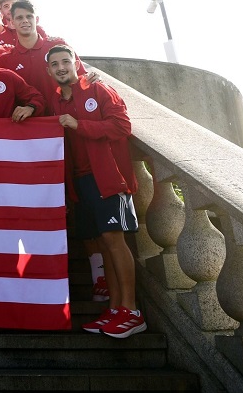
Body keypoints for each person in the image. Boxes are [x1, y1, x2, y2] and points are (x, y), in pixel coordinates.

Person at [46, 44, 144, 338]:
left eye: (66, 61)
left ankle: (132, 311)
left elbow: (121, 126)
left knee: (115, 242)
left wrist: (80, 125)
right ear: (49, 70)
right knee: (103, 245)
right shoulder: (56, 102)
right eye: (55, 64)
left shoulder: (99, 91)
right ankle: (115, 309)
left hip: (107, 179)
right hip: (81, 182)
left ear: (75, 63)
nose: (61, 67)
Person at [0, 0, 82, 109]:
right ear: (11, 22)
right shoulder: (4, 61)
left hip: (64, 119)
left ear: (37, 19)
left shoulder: (58, 45)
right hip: (29, 123)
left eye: (29, 16)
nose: (25, 20)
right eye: (19, 17)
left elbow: (82, 78)